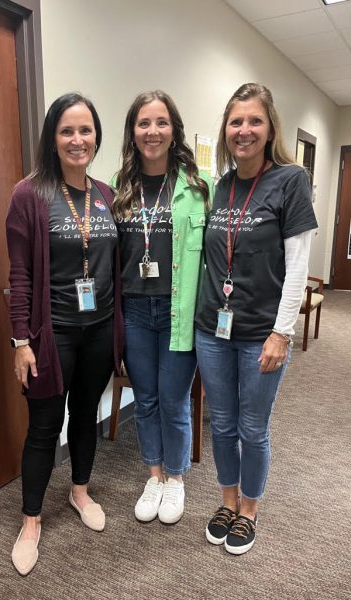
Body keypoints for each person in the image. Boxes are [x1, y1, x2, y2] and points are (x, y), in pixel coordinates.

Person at [195, 83, 318, 555]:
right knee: (222, 425)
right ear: (225, 129)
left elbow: (298, 267)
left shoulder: (290, 180)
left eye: (254, 121)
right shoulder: (218, 186)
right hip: (214, 330)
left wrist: (281, 333)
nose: (243, 130)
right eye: (235, 122)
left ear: (269, 129)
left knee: (253, 427)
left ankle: (249, 510)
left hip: (261, 335)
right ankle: (226, 502)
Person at [6, 92, 121, 575]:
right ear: (53, 139)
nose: (78, 140)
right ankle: (31, 520)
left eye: (86, 130)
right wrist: (20, 341)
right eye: (67, 131)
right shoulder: (30, 194)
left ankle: (79, 492)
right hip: (51, 336)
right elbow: (19, 275)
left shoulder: (106, 194)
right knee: (43, 428)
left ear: (97, 136)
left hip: (99, 330)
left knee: (86, 415)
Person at [112, 90, 213, 525]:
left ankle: (176, 480)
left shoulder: (196, 188)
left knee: (174, 402)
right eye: (143, 123)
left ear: (174, 131)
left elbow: (211, 257)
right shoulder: (121, 188)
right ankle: (153, 474)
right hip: (135, 311)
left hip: (178, 311)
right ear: (133, 133)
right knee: (147, 400)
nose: (152, 131)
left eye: (161, 123)